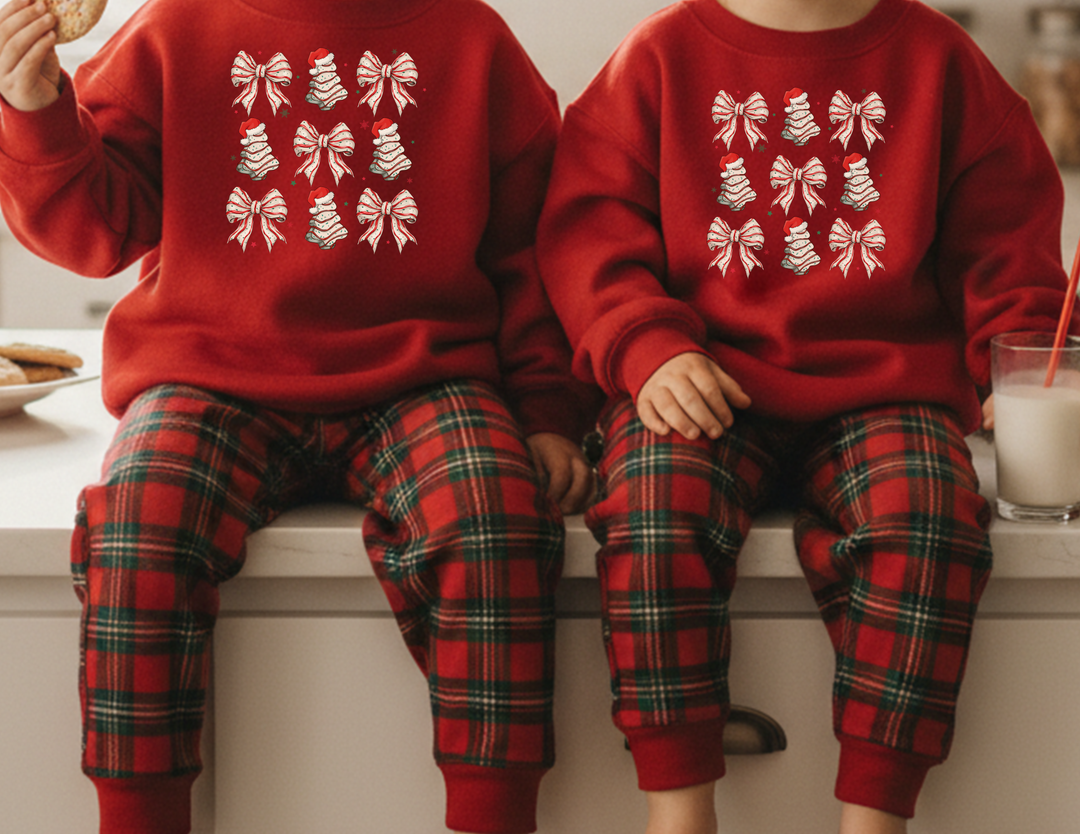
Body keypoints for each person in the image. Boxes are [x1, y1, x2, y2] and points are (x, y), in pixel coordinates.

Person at [0, 0, 597, 832]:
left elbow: (529, 250)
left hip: (425, 375)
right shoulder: (172, 27)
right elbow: (96, 231)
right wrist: (36, 113)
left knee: (496, 520)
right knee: (140, 524)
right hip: (209, 374)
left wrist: (547, 410)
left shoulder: (473, 38)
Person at [536, 0, 1080, 832]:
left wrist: (1020, 357)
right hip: (703, 380)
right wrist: (646, 346)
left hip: (887, 394)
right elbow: (590, 235)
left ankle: (876, 815)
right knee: (651, 507)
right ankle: (678, 809)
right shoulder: (657, 58)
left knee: (929, 519)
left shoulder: (944, 64)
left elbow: (1007, 248)